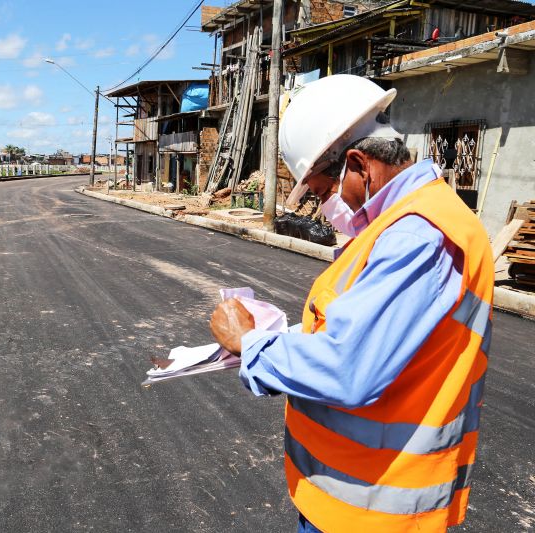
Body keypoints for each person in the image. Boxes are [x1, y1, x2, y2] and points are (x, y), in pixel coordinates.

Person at [209, 75, 494, 533]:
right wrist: (281, 338)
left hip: (376, 512)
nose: (326, 207)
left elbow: (349, 369)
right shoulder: (400, 227)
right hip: (352, 502)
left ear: (360, 165)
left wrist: (252, 345)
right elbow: (358, 334)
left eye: (323, 191)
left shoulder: (415, 237)